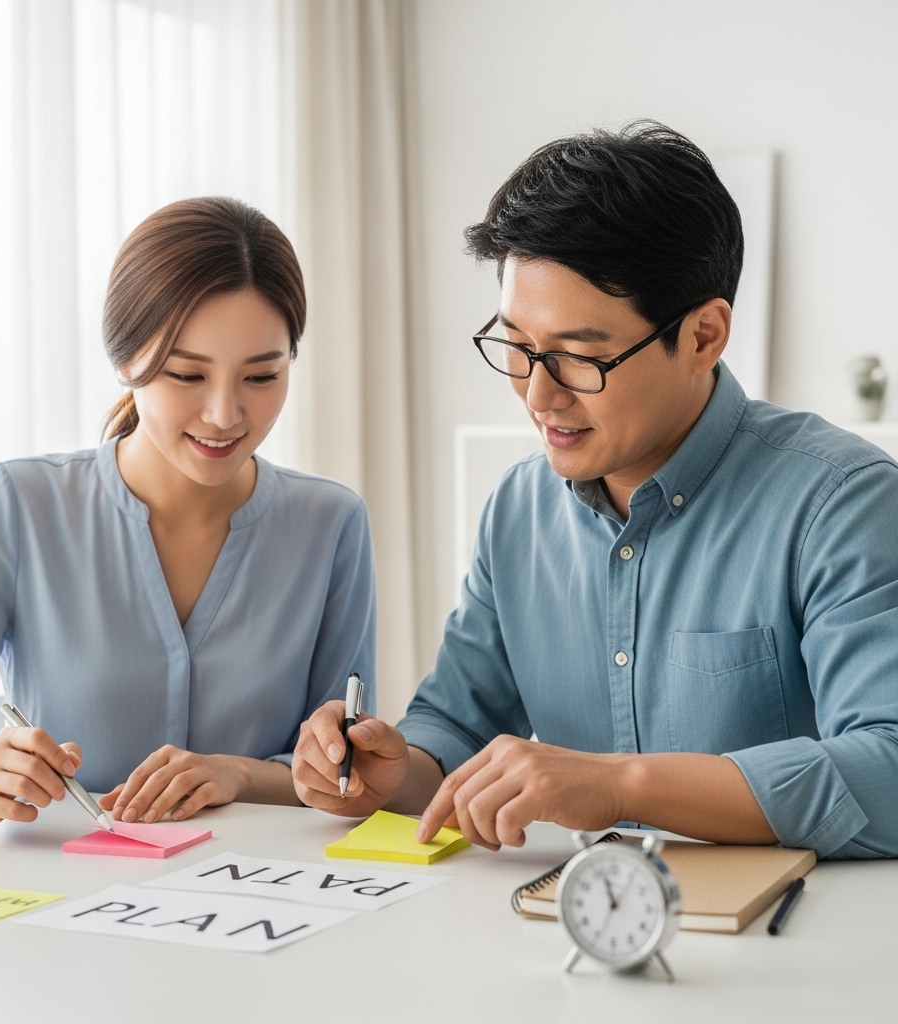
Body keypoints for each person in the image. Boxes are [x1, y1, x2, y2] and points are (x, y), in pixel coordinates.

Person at [292, 122, 898, 860]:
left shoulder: (843, 502)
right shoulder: (519, 509)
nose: (538, 396)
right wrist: (389, 772)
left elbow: (888, 769)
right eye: (517, 347)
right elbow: (451, 729)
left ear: (704, 336)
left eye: (580, 357)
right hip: (569, 931)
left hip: (788, 944)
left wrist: (623, 785)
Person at [0, 197, 375, 827]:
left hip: (266, 905)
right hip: (65, 899)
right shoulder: (20, 506)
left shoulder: (331, 526)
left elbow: (344, 774)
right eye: (187, 376)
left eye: (261, 377)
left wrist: (239, 774)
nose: (225, 414)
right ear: (125, 361)